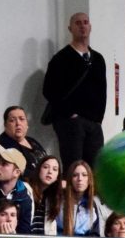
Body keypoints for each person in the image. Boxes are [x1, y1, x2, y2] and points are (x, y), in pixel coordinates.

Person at [40, 11, 107, 167]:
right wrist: (70, 113)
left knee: (96, 168)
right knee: (73, 166)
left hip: (93, 123)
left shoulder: (98, 59)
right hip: (70, 122)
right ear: (70, 28)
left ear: (90, 27)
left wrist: (98, 119)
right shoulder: (61, 58)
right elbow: (49, 90)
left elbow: (102, 91)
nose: (82, 26)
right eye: (78, 23)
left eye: (85, 22)